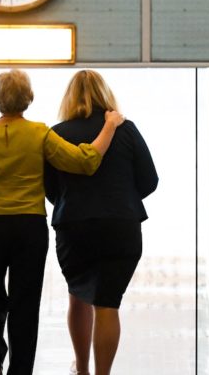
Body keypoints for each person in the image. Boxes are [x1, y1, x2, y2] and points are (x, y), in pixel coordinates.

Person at [0, 69, 126, 375]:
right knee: (25, 304)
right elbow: (85, 162)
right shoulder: (41, 134)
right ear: (28, 99)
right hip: (28, 229)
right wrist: (109, 126)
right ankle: (21, 370)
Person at [44, 70, 158, 375]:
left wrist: (73, 200)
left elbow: (49, 188)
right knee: (108, 303)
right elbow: (150, 180)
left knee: (77, 294)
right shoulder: (126, 130)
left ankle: (80, 368)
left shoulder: (56, 134)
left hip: (74, 226)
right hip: (121, 225)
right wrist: (123, 197)